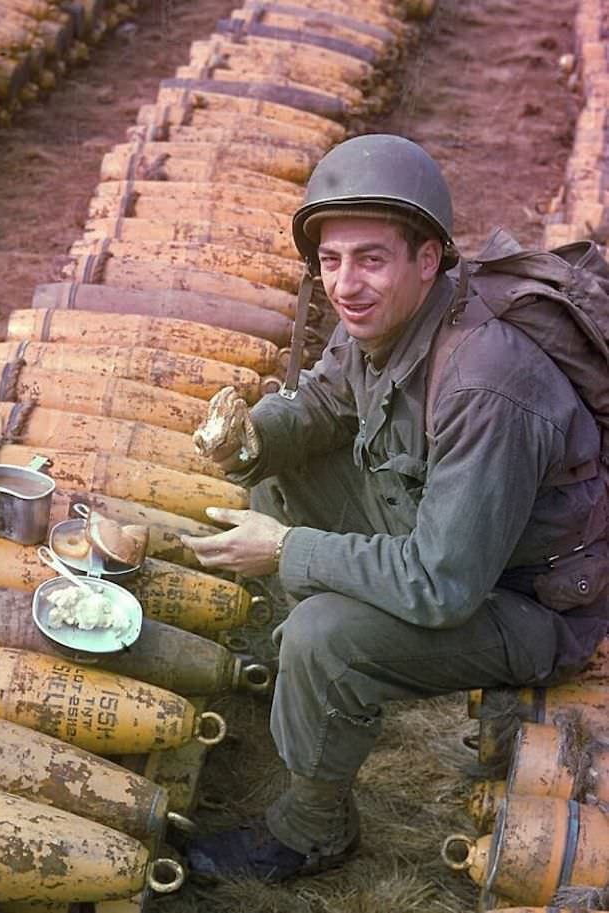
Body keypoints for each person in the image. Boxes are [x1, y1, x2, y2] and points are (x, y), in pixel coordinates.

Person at [179, 133, 609, 883]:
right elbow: (321, 400)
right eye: (332, 261)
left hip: (525, 604)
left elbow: (442, 583)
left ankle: (312, 830)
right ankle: (330, 692)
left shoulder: (485, 382)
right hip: (451, 539)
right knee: (280, 478)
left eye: (371, 258)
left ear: (429, 259)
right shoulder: (394, 319)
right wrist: (251, 439)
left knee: (324, 635)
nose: (348, 283)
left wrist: (289, 552)